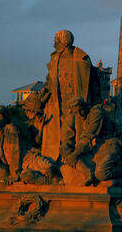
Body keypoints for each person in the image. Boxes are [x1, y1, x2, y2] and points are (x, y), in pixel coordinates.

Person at [40, 30, 94, 161]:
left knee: (67, 136)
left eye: (56, 40)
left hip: (74, 105)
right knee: (54, 136)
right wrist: (41, 96)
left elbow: (92, 83)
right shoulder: (55, 58)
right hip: (56, 105)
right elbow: (49, 81)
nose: (54, 43)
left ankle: (72, 162)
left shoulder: (81, 58)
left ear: (64, 42)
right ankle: (60, 162)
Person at [63, 97, 122, 186]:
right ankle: (88, 173)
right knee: (67, 153)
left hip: (108, 146)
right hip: (97, 148)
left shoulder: (96, 112)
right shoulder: (87, 118)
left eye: (80, 110)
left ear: (85, 106)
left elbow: (88, 136)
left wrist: (75, 154)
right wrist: (72, 155)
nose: (79, 114)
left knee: (102, 174)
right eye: (76, 113)